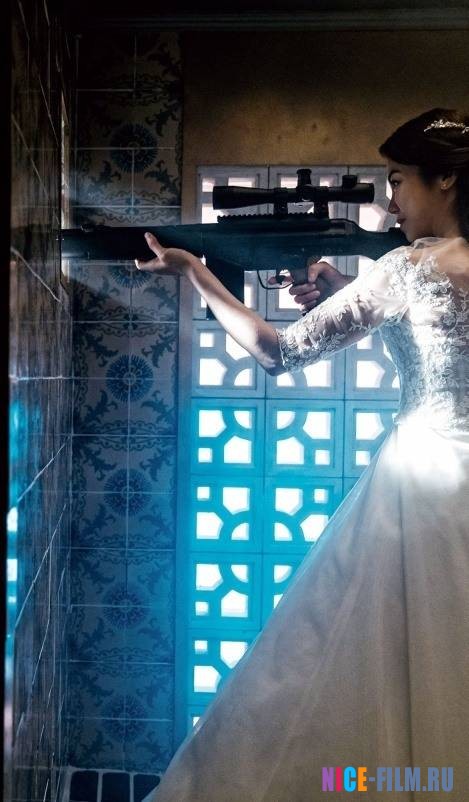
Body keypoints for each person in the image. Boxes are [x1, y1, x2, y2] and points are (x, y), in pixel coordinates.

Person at [135, 108, 469, 801]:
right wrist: (347, 290)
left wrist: (193, 270)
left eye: (398, 180)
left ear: (445, 180)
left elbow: (276, 351)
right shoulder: (410, 271)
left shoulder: (407, 269)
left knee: (343, 685)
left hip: (419, 490)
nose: (391, 202)